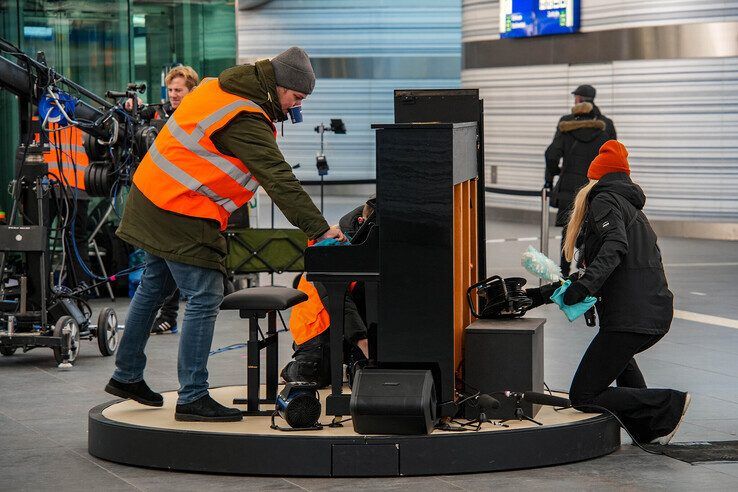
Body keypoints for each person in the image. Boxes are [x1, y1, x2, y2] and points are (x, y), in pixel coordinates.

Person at [105, 46, 345, 422]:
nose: (297, 107)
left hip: (153, 195)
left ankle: (126, 375)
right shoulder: (244, 117)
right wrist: (318, 228)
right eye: (296, 98)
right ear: (279, 86)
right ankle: (193, 396)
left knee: (154, 285)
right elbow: (277, 177)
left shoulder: (223, 88)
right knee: (205, 293)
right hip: (179, 208)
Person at [560, 140, 690, 445]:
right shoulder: (628, 204)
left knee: (584, 394)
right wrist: (589, 289)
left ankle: (669, 404)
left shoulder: (604, 200)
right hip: (647, 309)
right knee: (621, 362)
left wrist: (584, 285)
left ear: (596, 177)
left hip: (632, 316)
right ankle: (647, 429)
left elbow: (615, 246)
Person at [128, 66, 201, 335]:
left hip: (183, 196)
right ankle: (162, 314)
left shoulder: (195, 115)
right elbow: (139, 114)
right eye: (170, 90)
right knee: (157, 264)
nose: (173, 95)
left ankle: (169, 315)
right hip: (156, 193)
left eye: (178, 90)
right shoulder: (160, 112)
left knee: (171, 261)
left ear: (190, 90)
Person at [281, 196, 375, 387]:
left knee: (364, 371)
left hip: (348, 323)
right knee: (316, 375)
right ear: (361, 222)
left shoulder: (373, 241)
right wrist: (362, 341)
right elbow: (337, 301)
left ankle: (352, 358)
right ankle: (294, 368)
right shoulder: (332, 244)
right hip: (318, 324)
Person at [545, 84, 616, 277]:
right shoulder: (606, 124)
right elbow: (613, 156)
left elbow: (551, 154)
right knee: (593, 228)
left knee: (569, 230)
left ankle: (564, 272)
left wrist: (550, 179)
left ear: (579, 99)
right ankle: (586, 271)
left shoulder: (565, 122)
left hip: (570, 186)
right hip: (595, 186)